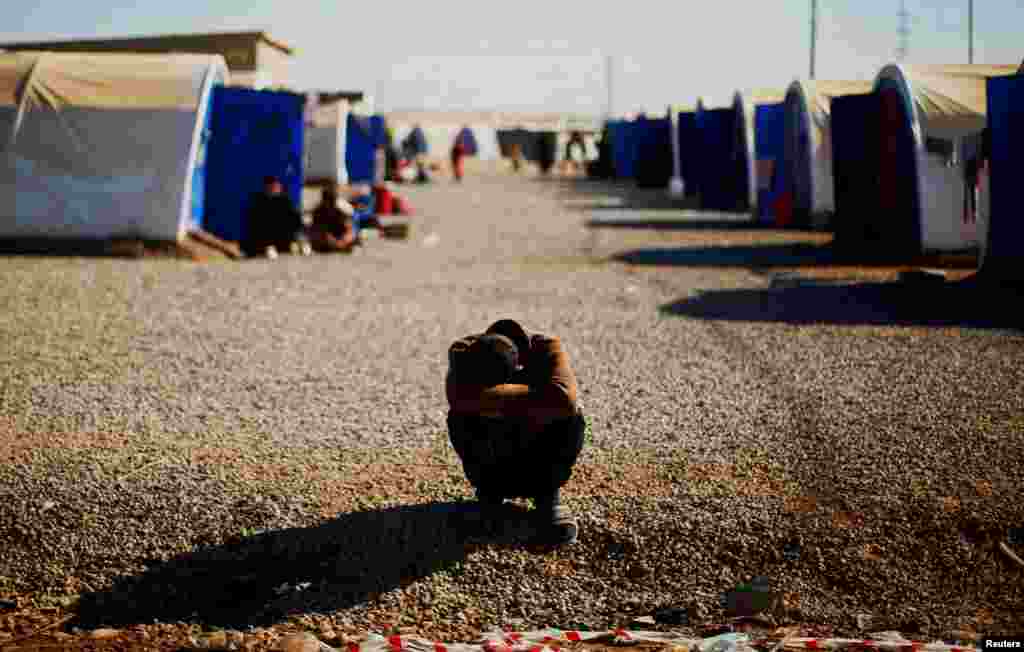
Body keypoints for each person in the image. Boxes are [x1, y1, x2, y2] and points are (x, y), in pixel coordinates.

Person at [446, 319, 586, 545]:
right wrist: (535, 397)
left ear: (520, 365)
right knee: (459, 417)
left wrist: (488, 400)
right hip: (492, 444)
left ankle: (547, 495)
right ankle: (490, 493)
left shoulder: (547, 348)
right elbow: (458, 398)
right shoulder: (464, 350)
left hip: (538, 440)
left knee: (571, 417)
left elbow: (565, 400)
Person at [242, 176, 306, 258]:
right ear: (266, 187)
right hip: (264, 240)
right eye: (272, 186)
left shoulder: (286, 202)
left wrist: (299, 237)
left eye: (277, 186)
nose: (275, 189)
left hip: (283, 238)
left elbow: (296, 221)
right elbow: (255, 225)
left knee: (296, 242)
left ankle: (292, 246)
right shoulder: (258, 202)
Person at [308, 186, 356, 253]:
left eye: (331, 201)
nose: (329, 204)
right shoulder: (318, 212)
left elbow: (350, 230)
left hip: (340, 238)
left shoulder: (341, 211)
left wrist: (343, 241)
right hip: (326, 238)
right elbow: (315, 230)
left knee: (351, 237)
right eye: (327, 201)